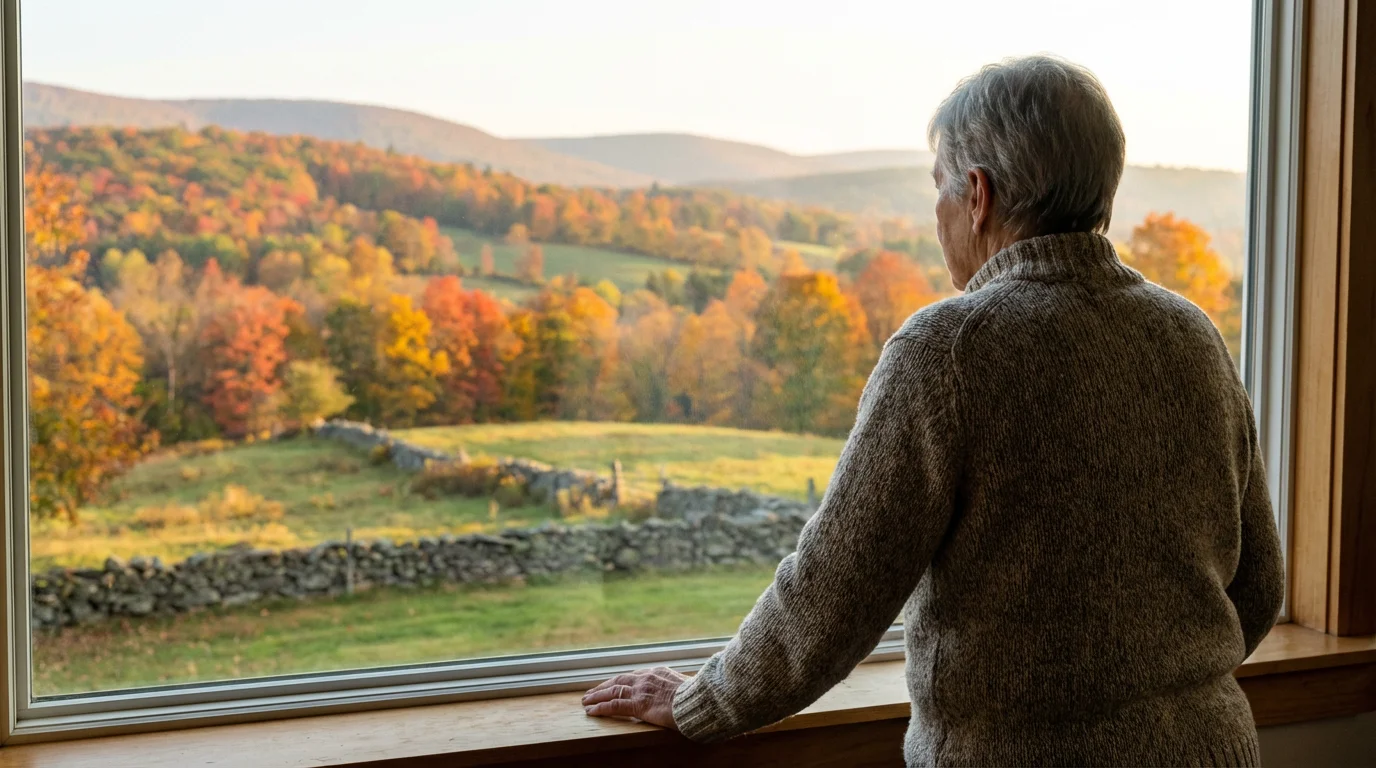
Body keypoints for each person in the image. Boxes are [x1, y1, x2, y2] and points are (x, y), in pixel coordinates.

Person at [582, 55, 1284, 767]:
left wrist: (703, 701)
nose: (938, 212)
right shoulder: (1189, 332)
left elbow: (833, 592)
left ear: (976, 194)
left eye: (939, 187)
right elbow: (1258, 585)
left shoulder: (948, 349)